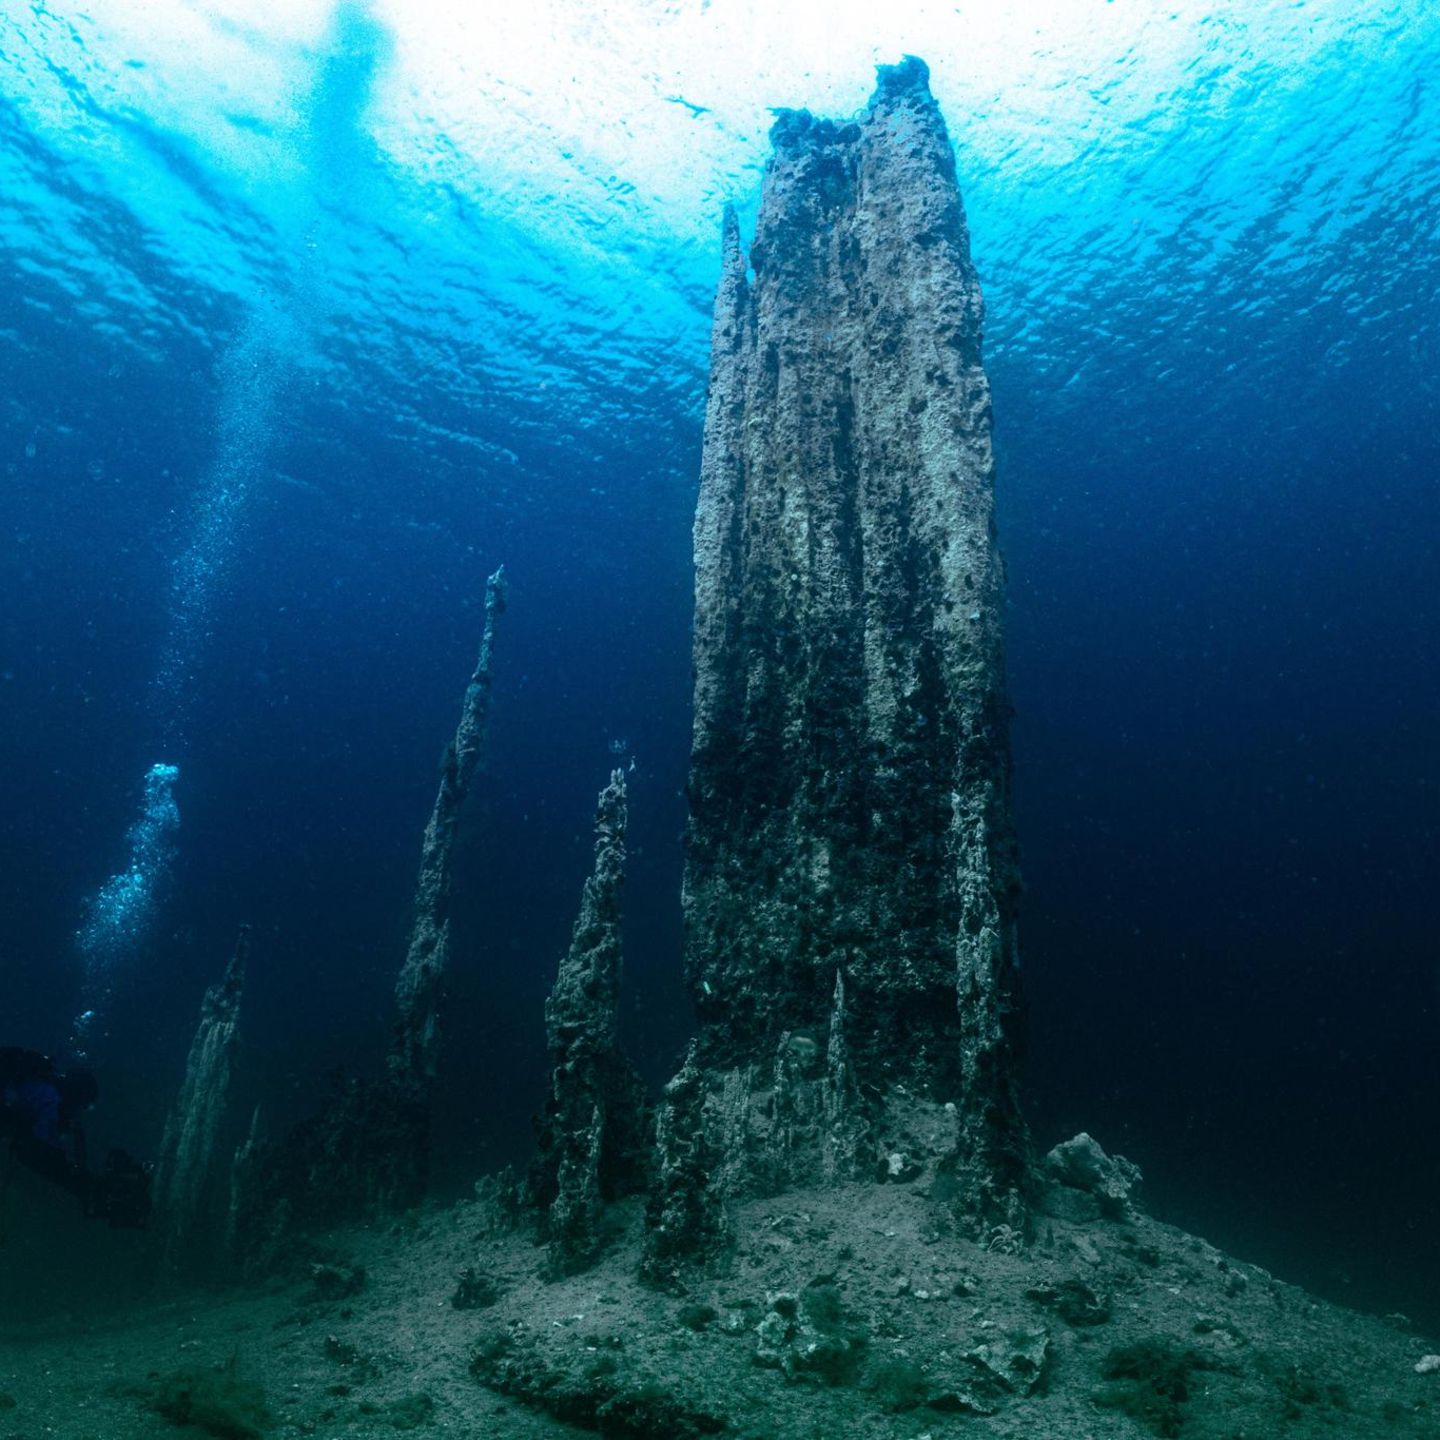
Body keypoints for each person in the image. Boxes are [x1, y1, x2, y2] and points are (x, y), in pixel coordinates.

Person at [0, 1047, 151, 1227]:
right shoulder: (51, 1098)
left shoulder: (45, 1090)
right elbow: (42, 1144)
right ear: (78, 1095)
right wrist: (76, 1177)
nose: (79, 1112)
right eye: (85, 1106)